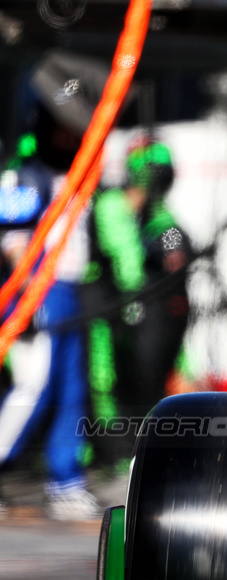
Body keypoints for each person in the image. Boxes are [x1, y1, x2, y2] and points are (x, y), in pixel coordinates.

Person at [0, 54, 105, 520]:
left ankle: (66, 479)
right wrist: (29, 300)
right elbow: (14, 241)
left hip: (72, 289)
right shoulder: (24, 174)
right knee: (33, 387)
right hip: (38, 291)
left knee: (71, 390)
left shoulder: (76, 174)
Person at [83, 138, 191, 460]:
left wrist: (174, 250)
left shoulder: (154, 211)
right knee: (103, 377)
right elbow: (126, 258)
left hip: (133, 307)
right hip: (99, 302)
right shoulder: (113, 205)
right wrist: (137, 300)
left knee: (146, 374)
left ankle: (131, 447)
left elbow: (172, 236)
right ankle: (106, 449)